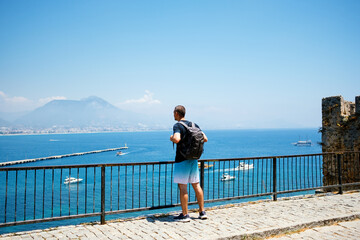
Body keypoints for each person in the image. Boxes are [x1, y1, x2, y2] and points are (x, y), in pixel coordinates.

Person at [170, 105, 208, 222]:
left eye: (173, 112)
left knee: (183, 187)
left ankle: (185, 215)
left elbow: (177, 139)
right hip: (194, 159)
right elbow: (205, 138)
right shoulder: (194, 125)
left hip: (182, 160)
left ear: (176, 113)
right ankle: (202, 212)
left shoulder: (178, 125)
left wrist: (171, 137)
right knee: (196, 185)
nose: (173, 115)